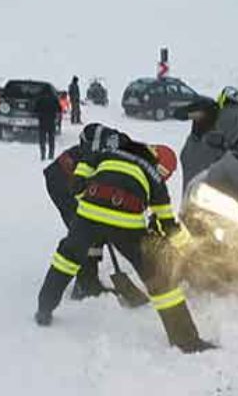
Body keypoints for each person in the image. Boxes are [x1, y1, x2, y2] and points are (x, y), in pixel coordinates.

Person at [35, 140, 215, 353]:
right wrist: (189, 249)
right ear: (157, 162)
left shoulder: (108, 152)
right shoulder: (153, 176)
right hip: (127, 224)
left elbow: (84, 168)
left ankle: (43, 309)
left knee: (66, 259)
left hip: (88, 215)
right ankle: (186, 340)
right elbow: (167, 223)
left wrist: (84, 193)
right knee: (158, 278)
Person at [44, 123, 130, 298]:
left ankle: (90, 279)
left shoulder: (120, 147)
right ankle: (83, 286)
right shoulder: (94, 153)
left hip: (77, 179)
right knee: (84, 234)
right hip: (61, 182)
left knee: (96, 234)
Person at [34, 85, 60, 160]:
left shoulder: (40, 99)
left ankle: (43, 155)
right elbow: (59, 109)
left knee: (42, 139)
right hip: (51, 121)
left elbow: (35, 109)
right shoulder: (54, 99)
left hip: (42, 121)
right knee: (51, 139)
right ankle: (51, 155)